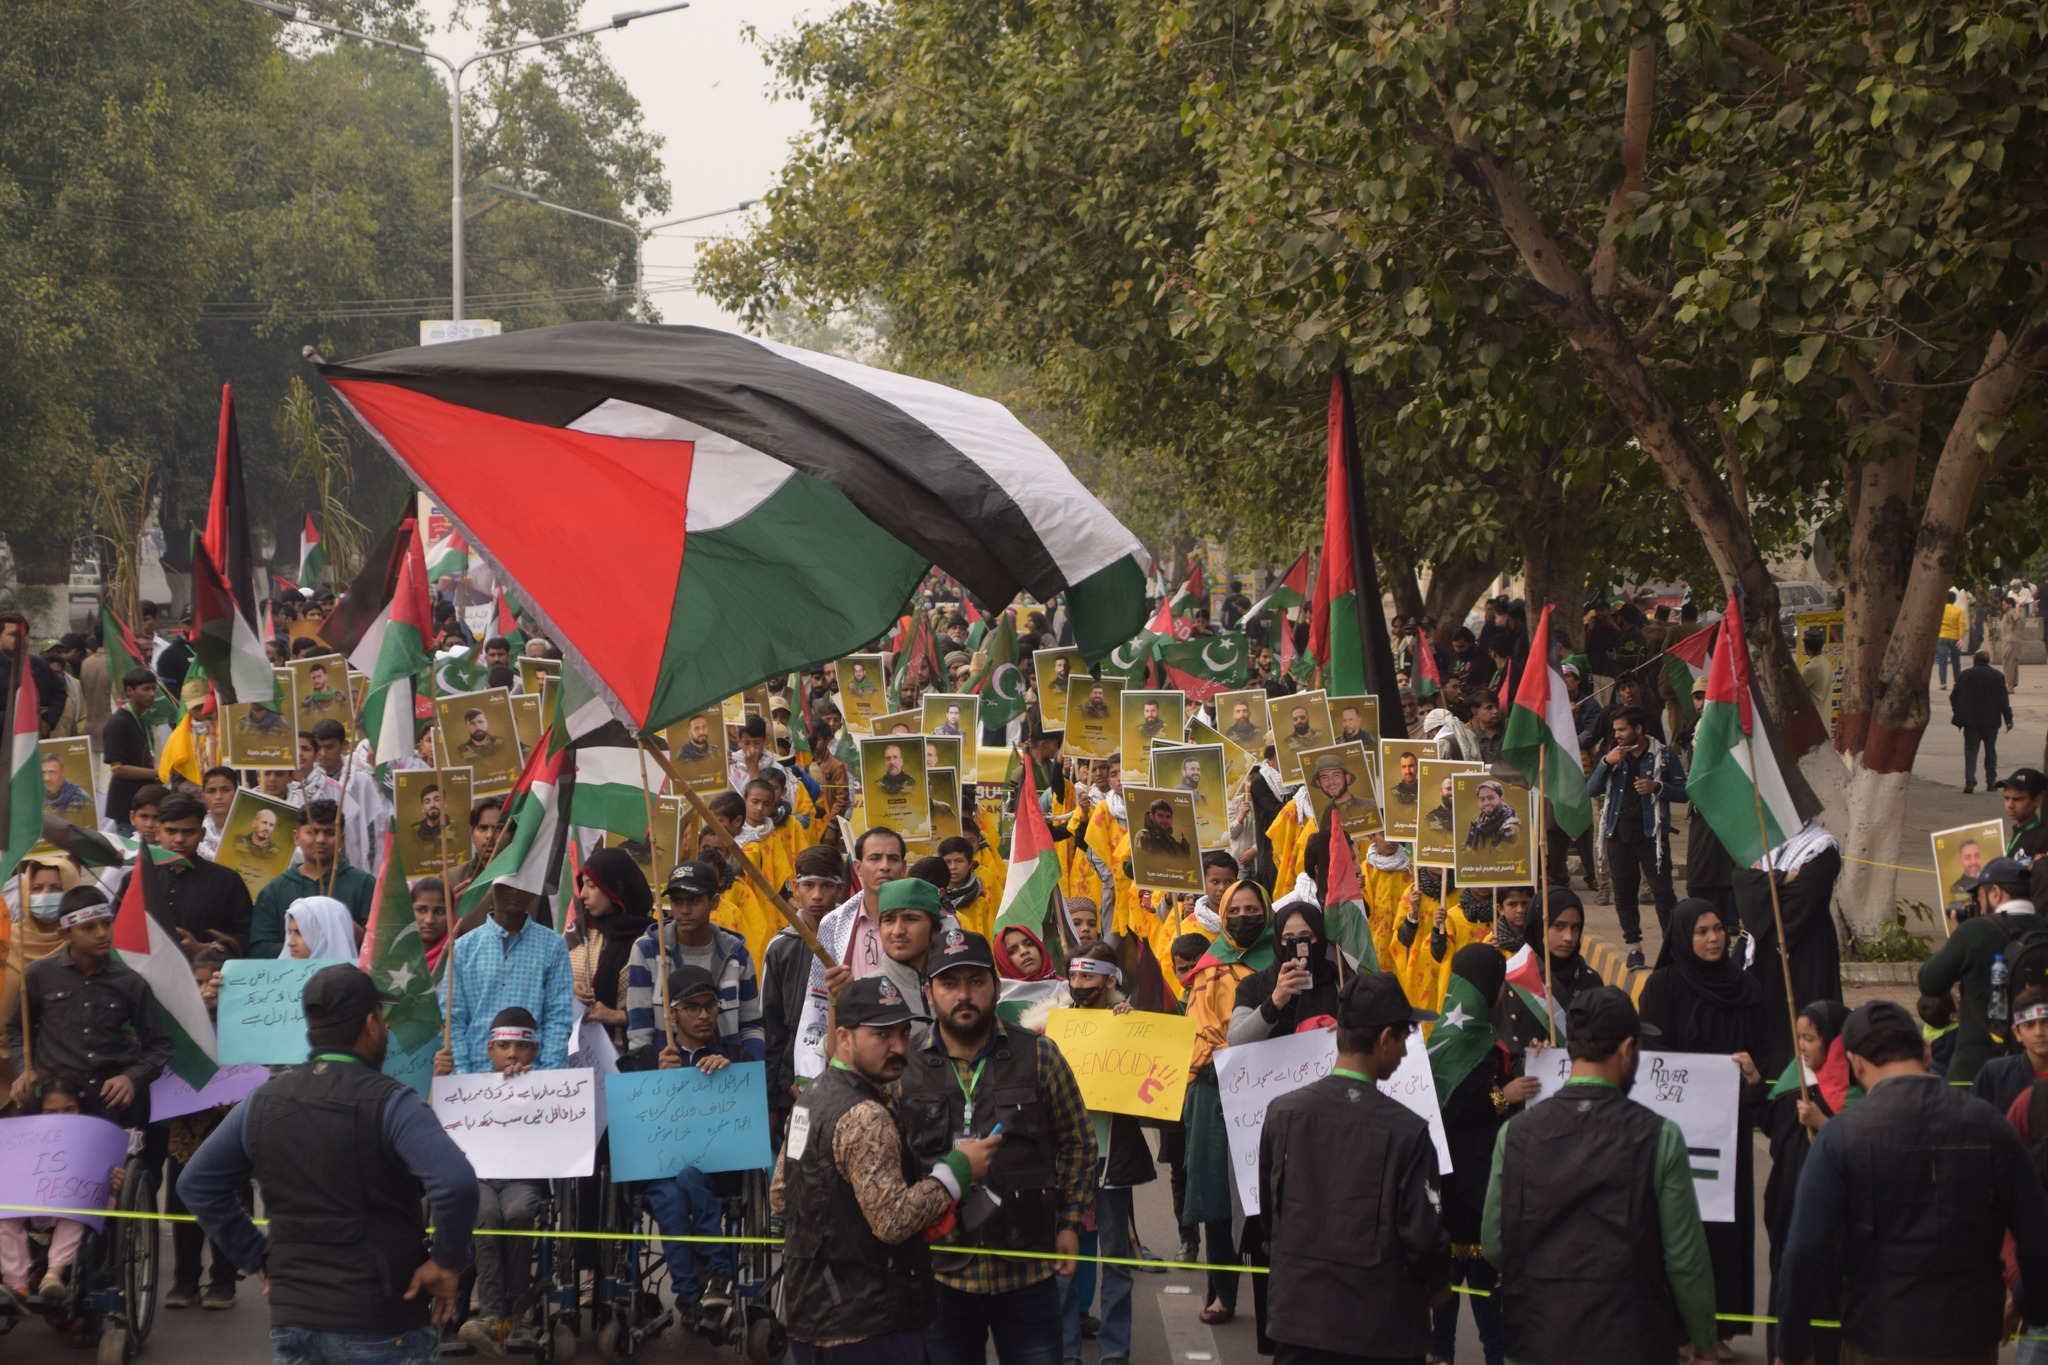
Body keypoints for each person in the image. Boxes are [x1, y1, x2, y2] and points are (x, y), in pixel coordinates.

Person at [178, 965, 479, 1365]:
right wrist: (446, 1261)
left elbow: (196, 1183)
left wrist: (256, 1256)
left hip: (295, 1322)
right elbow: (456, 1183)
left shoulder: (261, 1102)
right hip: (383, 1323)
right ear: (371, 1022)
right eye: (383, 1017)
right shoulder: (393, 1103)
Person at [1774, 1000, 2048, 1365]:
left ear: (1855, 1064)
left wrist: (1791, 1347)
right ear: (1926, 1050)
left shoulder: (1842, 1135)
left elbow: (1805, 1251)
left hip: (1878, 1336)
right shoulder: (1992, 1126)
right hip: (1971, 1337)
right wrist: (2030, 1305)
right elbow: (2037, 1237)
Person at [1483, 986, 1720, 1364]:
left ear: (1572, 1050)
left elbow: (1495, 1244)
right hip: (1633, 1342)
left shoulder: (1515, 1135)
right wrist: (1705, 1344)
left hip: (1535, 1340)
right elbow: (1685, 1260)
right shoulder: (1660, 1137)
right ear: (1627, 1049)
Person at [772, 975, 1001, 1363]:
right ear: (843, 1038)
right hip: (869, 1322)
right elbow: (892, 1221)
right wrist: (956, 1172)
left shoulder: (810, 1097)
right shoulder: (867, 1115)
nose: (898, 1047)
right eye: (881, 1035)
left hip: (810, 1315)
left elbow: (780, 1196)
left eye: (903, 1032)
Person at [898, 928, 1094, 1365]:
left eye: (976, 981)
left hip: (1027, 1273)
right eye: (949, 983)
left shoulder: (1040, 1055)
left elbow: (1078, 1142)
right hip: (938, 1278)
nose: (964, 995)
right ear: (929, 993)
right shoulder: (906, 1068)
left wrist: (1070, 1223)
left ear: (996, 986)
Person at [1261, 971, 1448, 1365]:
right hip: (1379, 1331)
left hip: (1298, 1321)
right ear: (1385, 1038)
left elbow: (1270, 1215)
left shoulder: (1282, 1113)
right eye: (1405, 1038)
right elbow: (1423, 1235)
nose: (1404, 1052)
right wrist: (1439, 1283)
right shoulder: (1409, 1131)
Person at [1632, 899, 1763, 1348]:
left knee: (1723, 1228)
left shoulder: (1745, 988)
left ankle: (1717, 1330)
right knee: (1677, 1228)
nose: (1713, 938)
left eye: (1718, 929)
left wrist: (1753, 1074)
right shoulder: (1663, 987)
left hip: (1727, 1133)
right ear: (1683, 938)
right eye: (1702, 931)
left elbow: (1762, 1051)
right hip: (1676, 1132)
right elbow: (1653, 1058)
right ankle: (1676, 1330)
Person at [1428, 945, 1540, 1365]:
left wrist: (1527, 1071)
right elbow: (1448, 1114)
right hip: (1459, 1185)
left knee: (1487, 1289)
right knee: (1449, 1288)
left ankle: (1495, 1355)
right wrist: (1501, 1097)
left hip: (1484, 1178)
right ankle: (1444, 1355)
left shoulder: (1484, 1037)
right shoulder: (1450, 1042)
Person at [633, 967, 755, 1322]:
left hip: (712, 1171)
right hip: (660, 1173)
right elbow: (631, 1122)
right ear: (672, 1014)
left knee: (690, 1176)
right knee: (671, 1199)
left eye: (710, 1006)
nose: (704, 1015)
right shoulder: (646, 1060)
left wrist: (730, 1076)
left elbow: (747, 1114)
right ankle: (690, 1298)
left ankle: (718, 1274)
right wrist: (655, 1079)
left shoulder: (734, 1058)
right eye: (692, 1007)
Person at [1181, 878, 1274, 1325]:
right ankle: (1222, 1291)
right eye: (1233, 910)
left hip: (1272, 1084)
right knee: (1218, 1195)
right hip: (1214, 1087)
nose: (1242, 917)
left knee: (1271, 1193)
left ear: (1267, 912)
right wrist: (1232, 1056)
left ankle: (1278, 1296)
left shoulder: (1282, 964)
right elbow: (1197, 1027)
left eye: (1251, 909)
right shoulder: (1209, 965)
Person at [1057, 945, 1152, 1365]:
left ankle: (1115, 1350)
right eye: (1074, 977)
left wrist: (1133, 1028)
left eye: (1087, 978)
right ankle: (1066, 1349)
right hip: (1067, 1159)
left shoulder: (1129, 1022)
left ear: (1109, 980)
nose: (1079, 985)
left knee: (1115, 1257)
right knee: (1064, 1254)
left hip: (1110, 1157)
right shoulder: (1055, 1023)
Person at [10, 892, 170, 1127]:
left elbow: (160, 1044)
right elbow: (16, 1030)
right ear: (65, 934)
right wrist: (24, 1069)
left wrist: (131, 1078)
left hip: (114, 1102)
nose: (101, 933)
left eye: (107, 923)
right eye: (88, 928)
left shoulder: (130, 982)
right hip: (60, 1102)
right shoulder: (39, 975)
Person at [1761, 1001, 1856, 1365]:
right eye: (1799, 1037)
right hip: (1787, 1211)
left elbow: (1859, 1149)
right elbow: (1772, 1128)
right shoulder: (1795, 1080)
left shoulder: (1855, 1090)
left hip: (1831, 1229)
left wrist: (1823, 1121)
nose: (1802, 1046)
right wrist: (1755, 1083)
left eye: (1811, 1038)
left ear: (1834, 1042)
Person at [453, 1007, 551, 1359]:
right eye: (504, 1046)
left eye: (522, 1047)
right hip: (479, 1177)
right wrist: (440, 1078)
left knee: (519, 1213)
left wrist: (531, 1088)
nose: (512, 1054)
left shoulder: (548, 1086)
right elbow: (438, 1122)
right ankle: (493, 1316)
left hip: (521, 1178)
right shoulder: (469, 1088)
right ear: (489, 1049)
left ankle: (517, 1311)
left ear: (534, 1050)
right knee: (485, 1217)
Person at [0, 1078, 127, 1308]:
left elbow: (104, 1179)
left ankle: (54, 1275)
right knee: (5, 1218)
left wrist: (116, 1180)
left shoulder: (94, 1139)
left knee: (75, 1213)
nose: (62, 1118)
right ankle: (16, 1283)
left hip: (72, 1203)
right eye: (51, 1112)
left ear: (81, 1109)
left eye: (69, 1110)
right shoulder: (24, 1139)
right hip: (29, 1204)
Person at [624, 860, 764, 1062]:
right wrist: (653, 1068)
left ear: (714, 902)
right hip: (667, 1073)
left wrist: (745, 1068)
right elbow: (640, 1031)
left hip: (726, 1073)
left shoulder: (737, 956)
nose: (684, 910)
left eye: (694, 900)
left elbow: (750, 1027)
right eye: (677, 901)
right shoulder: (648, 951)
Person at [1917, 855, 2039, 1083]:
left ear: (1996, 893)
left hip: (1975, 1070)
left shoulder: (1975, 931)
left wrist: (1958, 937)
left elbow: (1929, 982)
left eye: (1979, 897)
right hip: (2038, 1068)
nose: (1979, 907)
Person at [439, 877, 575, 1077]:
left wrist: (547, 1076)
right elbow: (452, 1020)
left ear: (533, 890)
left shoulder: (553, 946)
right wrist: (462, 1074)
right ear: (492, 884)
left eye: (523, 881)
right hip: (474, 1077)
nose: (514, 890)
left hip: (533, 1076)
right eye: (508, 881)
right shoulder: (462, 948)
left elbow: (558, 1018)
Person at [1586, 705, 1686, 967]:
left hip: (1651, 835)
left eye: (1622, 730)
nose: (1617, 735)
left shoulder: (1663, 755)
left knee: (1663, 893)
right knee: (1624, 893)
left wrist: (1657, 787)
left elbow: (1684, 791)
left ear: (1638, 729)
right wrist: (1606, 762)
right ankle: (1634, 947)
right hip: (1618, 834)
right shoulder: (1611, 754)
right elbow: (1591, 789)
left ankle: (1671, 949)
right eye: (1615, 730)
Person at [763, 846, 841, 1136]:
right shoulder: (781, 948)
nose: (817, 895)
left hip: (843, 1079)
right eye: (809, 885)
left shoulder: (851, 940)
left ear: (840, 888)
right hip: (792, 1084)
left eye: (826, 886)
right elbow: (770, 1026)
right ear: (796, 888)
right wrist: (772, 1097)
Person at [249, 799, 375, 959]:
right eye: (312, 832)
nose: (320, 840)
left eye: (330, 833)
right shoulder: (275, 890)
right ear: (296, 837)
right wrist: (304, 946)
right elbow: (259, 949)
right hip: (291, 974)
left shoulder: (363, 884)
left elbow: (380, 943)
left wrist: (345, 928)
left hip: (348, 973)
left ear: (342, 839)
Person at [564, 846, 653, 1055]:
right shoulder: (576, 933)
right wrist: (568, 988)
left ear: (616, 889)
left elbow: (665, 1008)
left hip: (629, 1057)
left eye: (592, 886)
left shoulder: (649, 940)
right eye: (582, 885)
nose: (583, 894)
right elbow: (550, 988)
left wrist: (618, 1016)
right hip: (575, 1055)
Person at [151, 791, 256, 954]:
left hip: (207, 969)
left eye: (188, 832)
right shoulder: (140, 878)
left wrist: (204, 949)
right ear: (158, 833)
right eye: (171, 831)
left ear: (202, 834)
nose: (179, 839)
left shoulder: (227, 881)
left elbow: (246, 936)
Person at [102, 666, 160, 833]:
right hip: (126, 803)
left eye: (153, 689)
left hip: (144, 800)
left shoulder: (142, 719)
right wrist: (156, 773)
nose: (152, 694)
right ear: (130, 691)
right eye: (146, 689)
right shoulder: (118, 723)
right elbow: (118, 768)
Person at [1950, 647, 2014, 793]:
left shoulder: (1965, 675)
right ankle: (1991, 782)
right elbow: (2003, 701)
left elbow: (1953, 696)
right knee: (1990, 750)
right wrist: (2008, 719)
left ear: (1975, 660)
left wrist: (1959, 712)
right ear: (1988, 660)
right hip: (1991, 721)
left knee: (1971, 751)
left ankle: (1969, 782)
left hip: (1970, 721)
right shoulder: (1997, 676)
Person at [282, 894, 359, 961]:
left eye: (299, 933)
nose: (290, 942)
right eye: (289, 932)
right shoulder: (281, 972)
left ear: (322, 935)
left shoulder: (344, 974)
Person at [1937, 588, 1968, 688]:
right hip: (1955, 638)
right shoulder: (1958, 611)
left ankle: (1943, 683)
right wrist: (1961, 638)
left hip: (1942, 636)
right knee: (1956, 660)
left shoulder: (1940, 610)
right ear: (1954, 600)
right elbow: (1962, 625)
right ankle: (1957, 681)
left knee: (1942, 660)